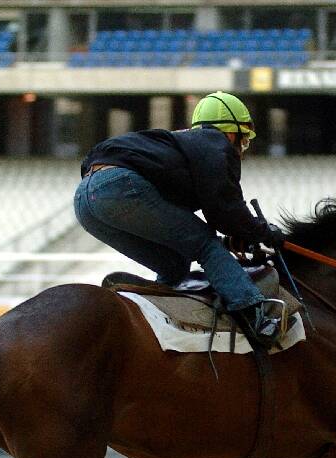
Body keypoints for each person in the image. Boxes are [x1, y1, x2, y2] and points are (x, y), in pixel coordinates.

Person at [74, 91, 284, 349]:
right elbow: (225, 212)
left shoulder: (184, 147)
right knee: (205, 245)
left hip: (85, 200)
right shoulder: (216, 144)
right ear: (231, 133)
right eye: (243, 141)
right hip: (119, 187)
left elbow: (200, 221)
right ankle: (255, 315)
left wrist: (235, 237)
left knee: (175, 263)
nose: (241, 150)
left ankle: (154, 303)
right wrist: (263, 232)